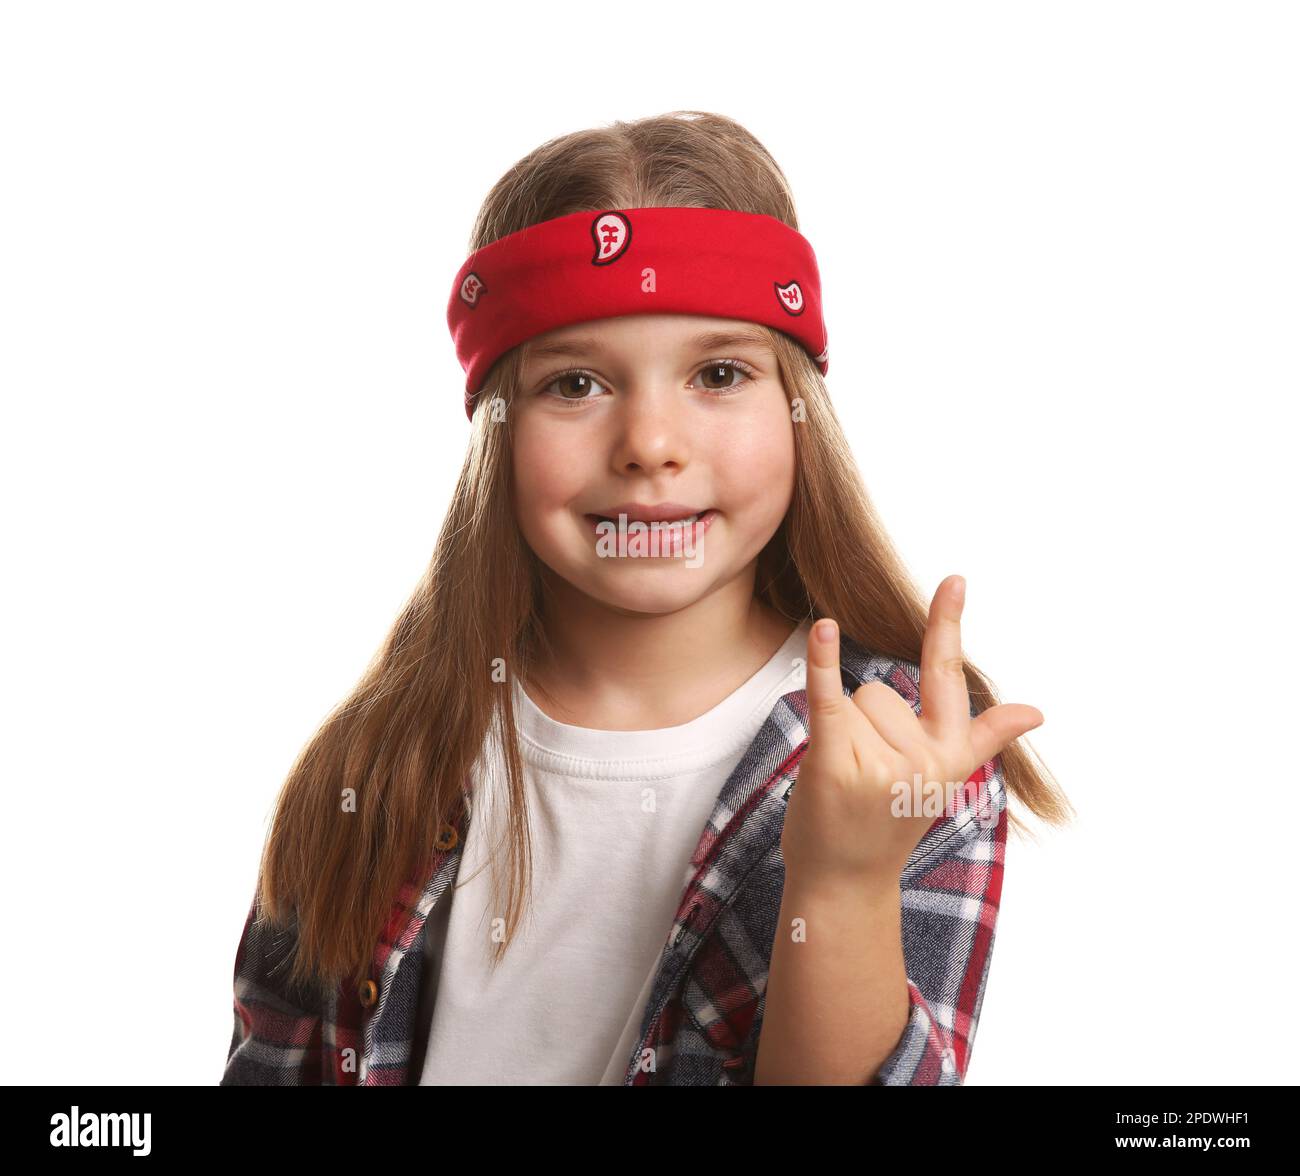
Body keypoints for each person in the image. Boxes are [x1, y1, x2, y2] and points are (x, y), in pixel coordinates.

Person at [220, 110, 1071, 1087]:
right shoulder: (383, 756)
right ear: (498, 430)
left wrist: (844, 883)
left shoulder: (904, 750)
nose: (650, 444)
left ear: (799, 410)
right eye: (575, 384)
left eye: (719, 374)